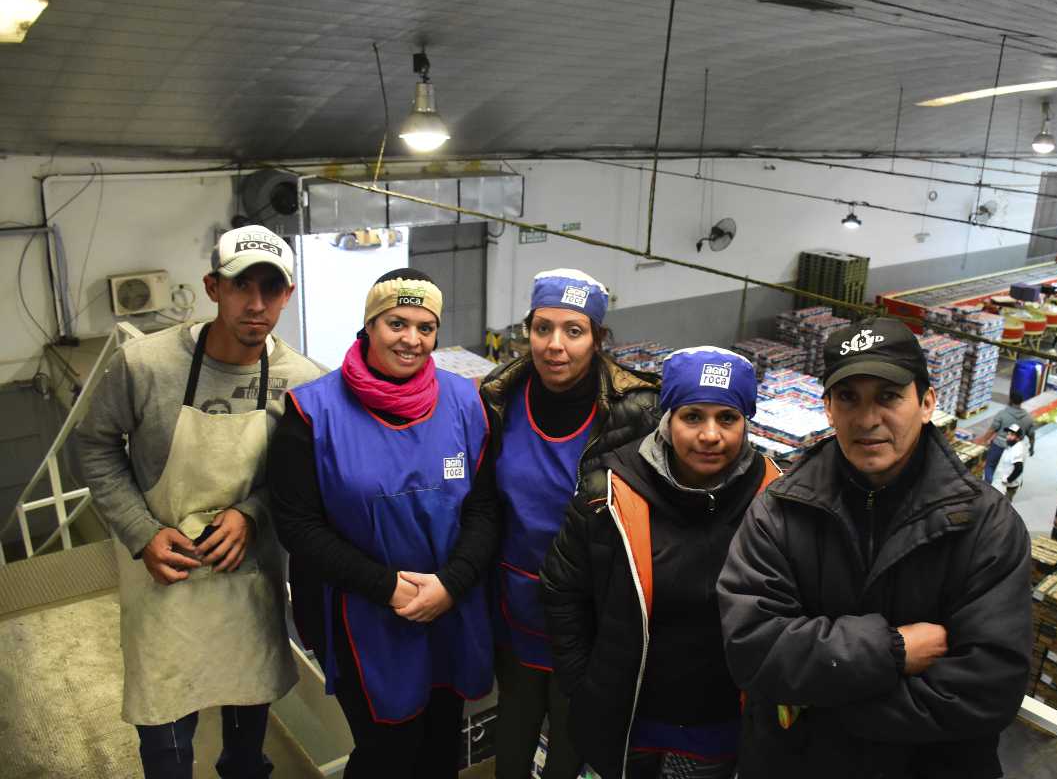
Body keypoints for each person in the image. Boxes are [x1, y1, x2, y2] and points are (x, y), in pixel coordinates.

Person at [717, 316, 1032, 779]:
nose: (867, 420)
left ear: (926, 402)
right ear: (827, 408)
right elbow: (754, 649)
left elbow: (987, 687)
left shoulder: (985, 526)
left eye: (888, 396)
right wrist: (893, 650)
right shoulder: (778, 513)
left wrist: (817, 704)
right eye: (848, 398)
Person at [76, 225, 324, 778]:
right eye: (241, 286)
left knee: (244, 743)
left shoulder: (304, 383)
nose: (255, 305)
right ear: (213, 287)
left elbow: (299, 481)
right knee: (167, 748)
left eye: (271, 289)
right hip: (164, 580)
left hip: (247, 580)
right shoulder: (144, 365)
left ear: (288, 294)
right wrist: (142, 533)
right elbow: (94, 448)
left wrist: (252, 515)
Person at [268, 269, 490, 778]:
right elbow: (297, 526)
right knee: (387, 755)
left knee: (439, 749)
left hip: (447, 609)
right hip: (359, 615)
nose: (412, 339)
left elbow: (484, 507)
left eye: (425, 327)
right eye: (396, 323)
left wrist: (451, 585)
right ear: (369, 325)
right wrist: (386, 586)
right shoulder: (313, 412)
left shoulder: (465, 403)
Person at [541, 347, 781, 779]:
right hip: (631, 719)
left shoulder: (774, 497)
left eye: (727, 418)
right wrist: (585, 687)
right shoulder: (608, 494)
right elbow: (563, 591)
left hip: (720, 723)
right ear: (668, 418)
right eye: (693, 416)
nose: (710, 435)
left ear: (747, 422)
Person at [478, 268, 660, 779]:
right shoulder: (500, 398)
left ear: (598, 339)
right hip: (513, 602)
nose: (554, 345)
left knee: (571, 735)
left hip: (588, 611)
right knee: (512, 729)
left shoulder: (637, 411)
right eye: (542, 328)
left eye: (573, 331)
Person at [982, 387, 1035, 483]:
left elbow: (992, 430)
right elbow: (1031, 435)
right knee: (1010, 470)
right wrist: (1032, 448)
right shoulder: (1028, 418)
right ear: (1021, 401)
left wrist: (983, 441)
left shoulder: (1002, 414)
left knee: (990, 466)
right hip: (1015, 448)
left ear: (1010, 400)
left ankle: (989, 487)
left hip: (998, 446)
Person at [990, 423, 1027, 501]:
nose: (1008, 437)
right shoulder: (1013, 445)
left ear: (1018, 437)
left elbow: (1019, 468)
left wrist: (1008, 480)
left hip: (1008, 486)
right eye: (1008, 434)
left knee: (1003, 505)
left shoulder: (1017, 450)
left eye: (1012, 435)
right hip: (1004, 483)